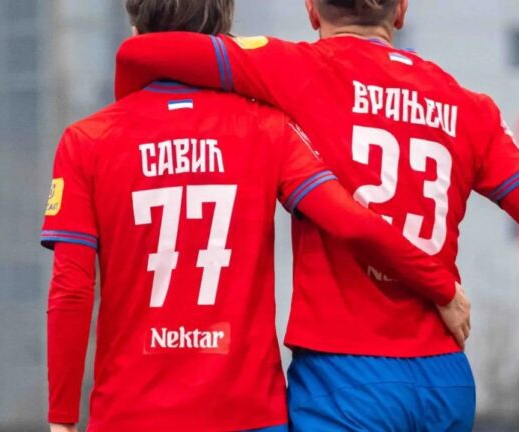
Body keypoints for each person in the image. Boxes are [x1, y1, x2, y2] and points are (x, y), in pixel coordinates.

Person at [113, 0, 519, 430]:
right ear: (401, 11)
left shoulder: (294, 68)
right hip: (444, 380)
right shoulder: (469, 106)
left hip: (344, 377)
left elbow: (147, 51)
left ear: (312, 10)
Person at [42, 1, 470, 431]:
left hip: (130, 416)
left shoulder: (87, 141)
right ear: (225, 31)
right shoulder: (267, 128)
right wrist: (441, 287)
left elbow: (71, 289)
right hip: (249, 415)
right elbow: (351, 221)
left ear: (135, 31)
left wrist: (61, 420)